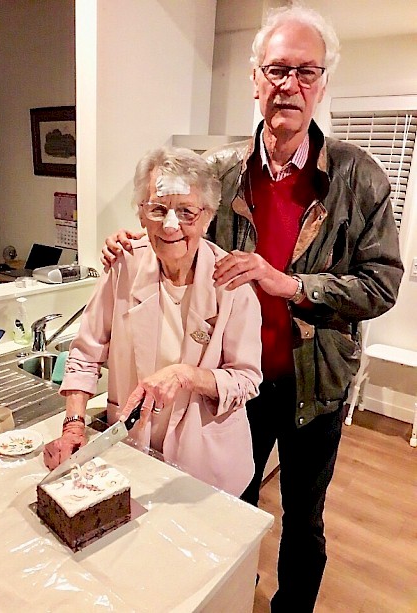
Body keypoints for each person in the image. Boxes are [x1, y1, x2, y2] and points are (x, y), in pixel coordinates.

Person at [100, 5, 404, 611]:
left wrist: (289, 284)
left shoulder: (359, 178)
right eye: (277, 70)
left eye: (305, 72)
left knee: (303, 520)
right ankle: (231, 598)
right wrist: (134, 240)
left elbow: (382, 286)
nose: (289, 85)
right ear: (255, 79)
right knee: (226, 505)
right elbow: (176, 231)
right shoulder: (219, 172)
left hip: (313, 385)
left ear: (322, 83)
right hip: (230, 384)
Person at [43, 146, 263, 498]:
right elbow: (85, 353)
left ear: (207, 217)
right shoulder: (124, 265)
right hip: (131, 452)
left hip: (206, 463)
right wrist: (73, 425)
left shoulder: (232, 285)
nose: (170, 224)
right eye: (158, 209)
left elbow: (247, 380)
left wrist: (186, 375)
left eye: (186, 212)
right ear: (141, 215)